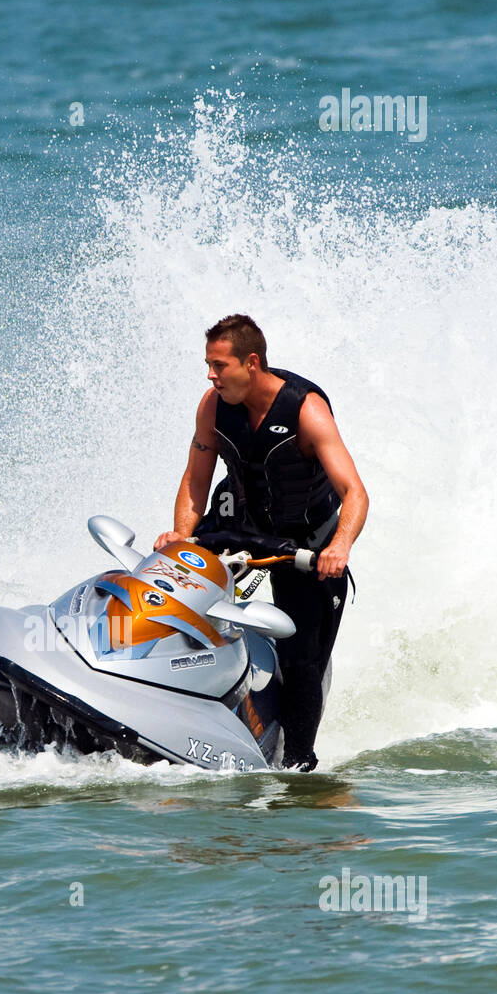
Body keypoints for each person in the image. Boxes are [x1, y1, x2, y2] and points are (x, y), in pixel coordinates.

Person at [154, 313, 369, 771]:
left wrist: (339, 548)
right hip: (239, 528)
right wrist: (182, 536)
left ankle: (298, 764)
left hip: (305, 550)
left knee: (301, 661)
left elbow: (355, 492)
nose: (210, 375)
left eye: (219, 365)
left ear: (251, 363)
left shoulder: (306, 410)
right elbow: (196, 480)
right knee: (175, 593)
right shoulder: (213, 406)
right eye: (208, 365)